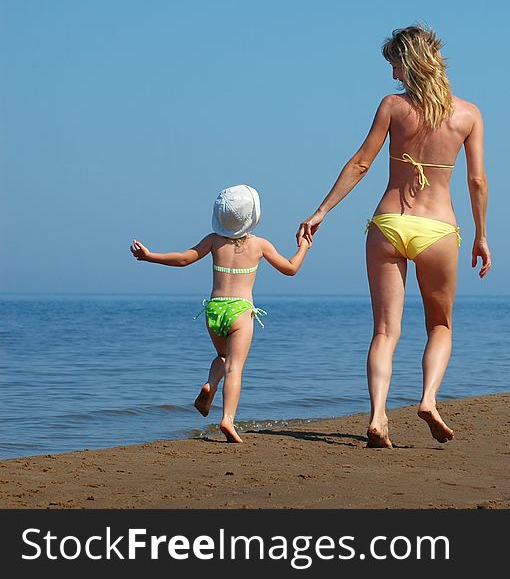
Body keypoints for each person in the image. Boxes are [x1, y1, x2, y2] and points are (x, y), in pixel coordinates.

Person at [297, 24, 491, 448]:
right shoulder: (468, 114)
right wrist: (481, 235)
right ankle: (428, 399)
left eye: (396, 65)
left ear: (412, 62)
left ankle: (379, 417)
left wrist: (321, 211)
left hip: (389, 223)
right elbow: (476, 181)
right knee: (440, 325)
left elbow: (361, 164)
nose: (393, 76)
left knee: (385, 330)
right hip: (439, 229)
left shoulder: (392, 106)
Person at [131, 184, 310, 443]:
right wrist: (304, 247)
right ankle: (227, 419)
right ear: (252, 216)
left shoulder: (213, 241)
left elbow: (184, 258)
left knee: (222, 356)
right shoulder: (259, 245)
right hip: (240, 311)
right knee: (235, 369)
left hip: (214, 308)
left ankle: (210, 385)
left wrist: (149, 256)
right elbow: (291, 269)